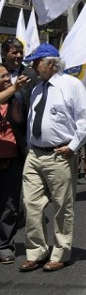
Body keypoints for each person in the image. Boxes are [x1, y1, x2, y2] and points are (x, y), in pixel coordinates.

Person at [19, 44, 86, 272]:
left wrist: (72, 147)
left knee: (62, 206)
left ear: (50, 64)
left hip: (59, 155)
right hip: (34, 154)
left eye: (36, 62)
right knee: (31, 204)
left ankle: (61, 253)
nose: (33, 67)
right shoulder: (37, 88)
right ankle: (37, 252)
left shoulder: (71, 86)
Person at [0, 64, 29, 265]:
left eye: (6, 75)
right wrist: (14, 88)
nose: (6, 78)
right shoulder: (13, 91)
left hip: (12, 160)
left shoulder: (17, 99)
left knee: (9, 205)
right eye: (1, 76)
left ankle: (5, 245)